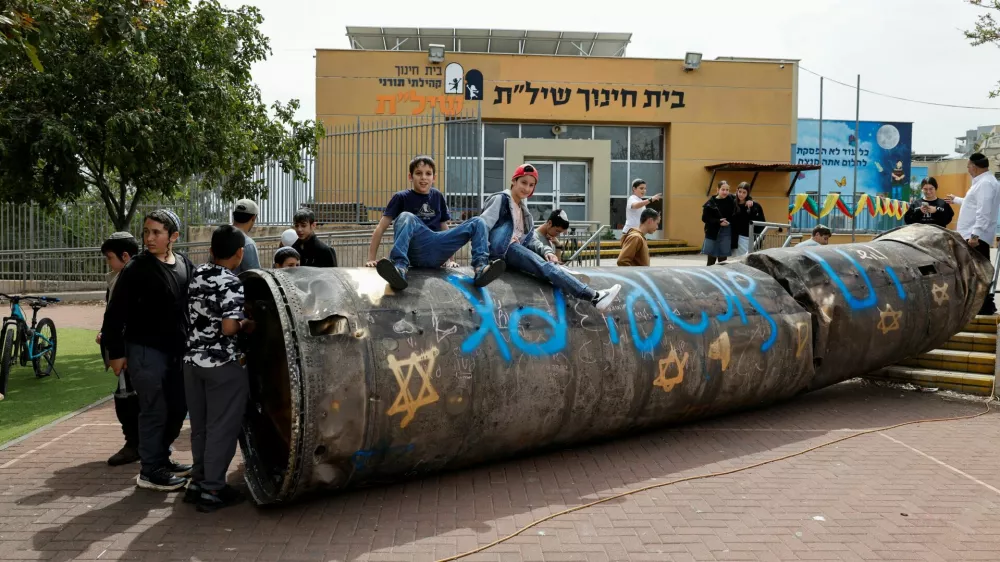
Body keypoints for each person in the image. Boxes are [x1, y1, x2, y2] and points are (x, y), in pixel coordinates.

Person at [102, 209, 193, 491]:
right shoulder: (137, 267)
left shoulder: (184, 264)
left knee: (178, 407)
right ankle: (150, 469)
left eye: (156, 232)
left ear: (173, 236)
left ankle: (161, 458)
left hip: (176, 351)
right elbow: (115, 314)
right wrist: (116, 353)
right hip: (144, 350)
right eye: (146, 232)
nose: (149, 238)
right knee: (155, 408)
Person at [182, 225, 255, 512]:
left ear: (211, 251)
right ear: (239, 253)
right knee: (222, 427)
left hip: (191, 362)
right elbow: (228, 327)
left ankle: (198, 481)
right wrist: (247, 324)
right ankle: (213, 489)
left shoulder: (196, 275)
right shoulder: (231, 281)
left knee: (199, 426)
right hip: (222, 364)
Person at [479, 163, 621, 310]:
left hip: (514, 250)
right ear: (514, 181)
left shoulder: (523, 212)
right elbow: (481, 227)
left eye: (531, 185)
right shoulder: (501, 199)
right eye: (523, 182)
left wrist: (547, 251)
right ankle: (594, 297)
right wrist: (482, 262)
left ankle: (568, 279)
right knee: (544, 267)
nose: (527, 188)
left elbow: (529, 239)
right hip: (504, 250)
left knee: (547, 266)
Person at [366, 155, 504, 290]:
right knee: (406, 216)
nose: (423, 177)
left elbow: (444, 226)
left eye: (428, 174)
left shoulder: (437, 196)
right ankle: (399, 268)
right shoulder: (401, 197)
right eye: (418, 173)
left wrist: (450, 259)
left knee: (478, 221)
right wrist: (371, 258)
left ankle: (481, 268)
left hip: (437, 248)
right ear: (410, 177)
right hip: (415, 249)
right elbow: (381, 227)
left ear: (434, 178)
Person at [97, 232, 141, 467]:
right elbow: (113, 315)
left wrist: (118, 350)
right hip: (123, 348)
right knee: (127, 395)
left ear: (125, 256)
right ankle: (138, 442)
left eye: (110, 257)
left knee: (129, 398)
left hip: (131, 351)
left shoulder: (132, 277)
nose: (108, 263)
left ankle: (136, 444)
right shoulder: (116, 277)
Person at [946, 152, 1000, 315]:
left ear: (975, 167)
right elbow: (973, 204)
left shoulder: (985, 184)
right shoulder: (984, 182)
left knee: (978, 271)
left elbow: (983, 211)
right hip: (973, 234)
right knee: (976, 271)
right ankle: (982, 305)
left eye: (969, 166)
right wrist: (956, 199)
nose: (968, 169)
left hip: (975, 237)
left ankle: (984, 305)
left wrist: (975, 235)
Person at [701, 181, 737, 266]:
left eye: (727, 190)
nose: (725, 192)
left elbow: (744, 197)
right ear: (718, 189)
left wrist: (749, 200)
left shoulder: (732, 199)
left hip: (726, 233)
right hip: (713, 232)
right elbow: (704, 218)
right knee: (711, 259)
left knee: (723, 260)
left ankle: (722, 278)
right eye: (723, 189)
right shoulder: (710, 203)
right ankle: (709, 277)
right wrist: (718, 222)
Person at [730, 182, 765, 256]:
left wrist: (759, 239)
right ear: (737, 191)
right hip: (736, 238)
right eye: (739, 191)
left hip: (748, 238)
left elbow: (761, 223)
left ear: (748, 193)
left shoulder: (754, 206)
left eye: (744, 192)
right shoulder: (732, 203)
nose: (741, 194)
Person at [231, 199, 261, 275]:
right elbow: (254, 277)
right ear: (253, 218)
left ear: (234, 215)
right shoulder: (248, 244)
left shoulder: (219, 236)